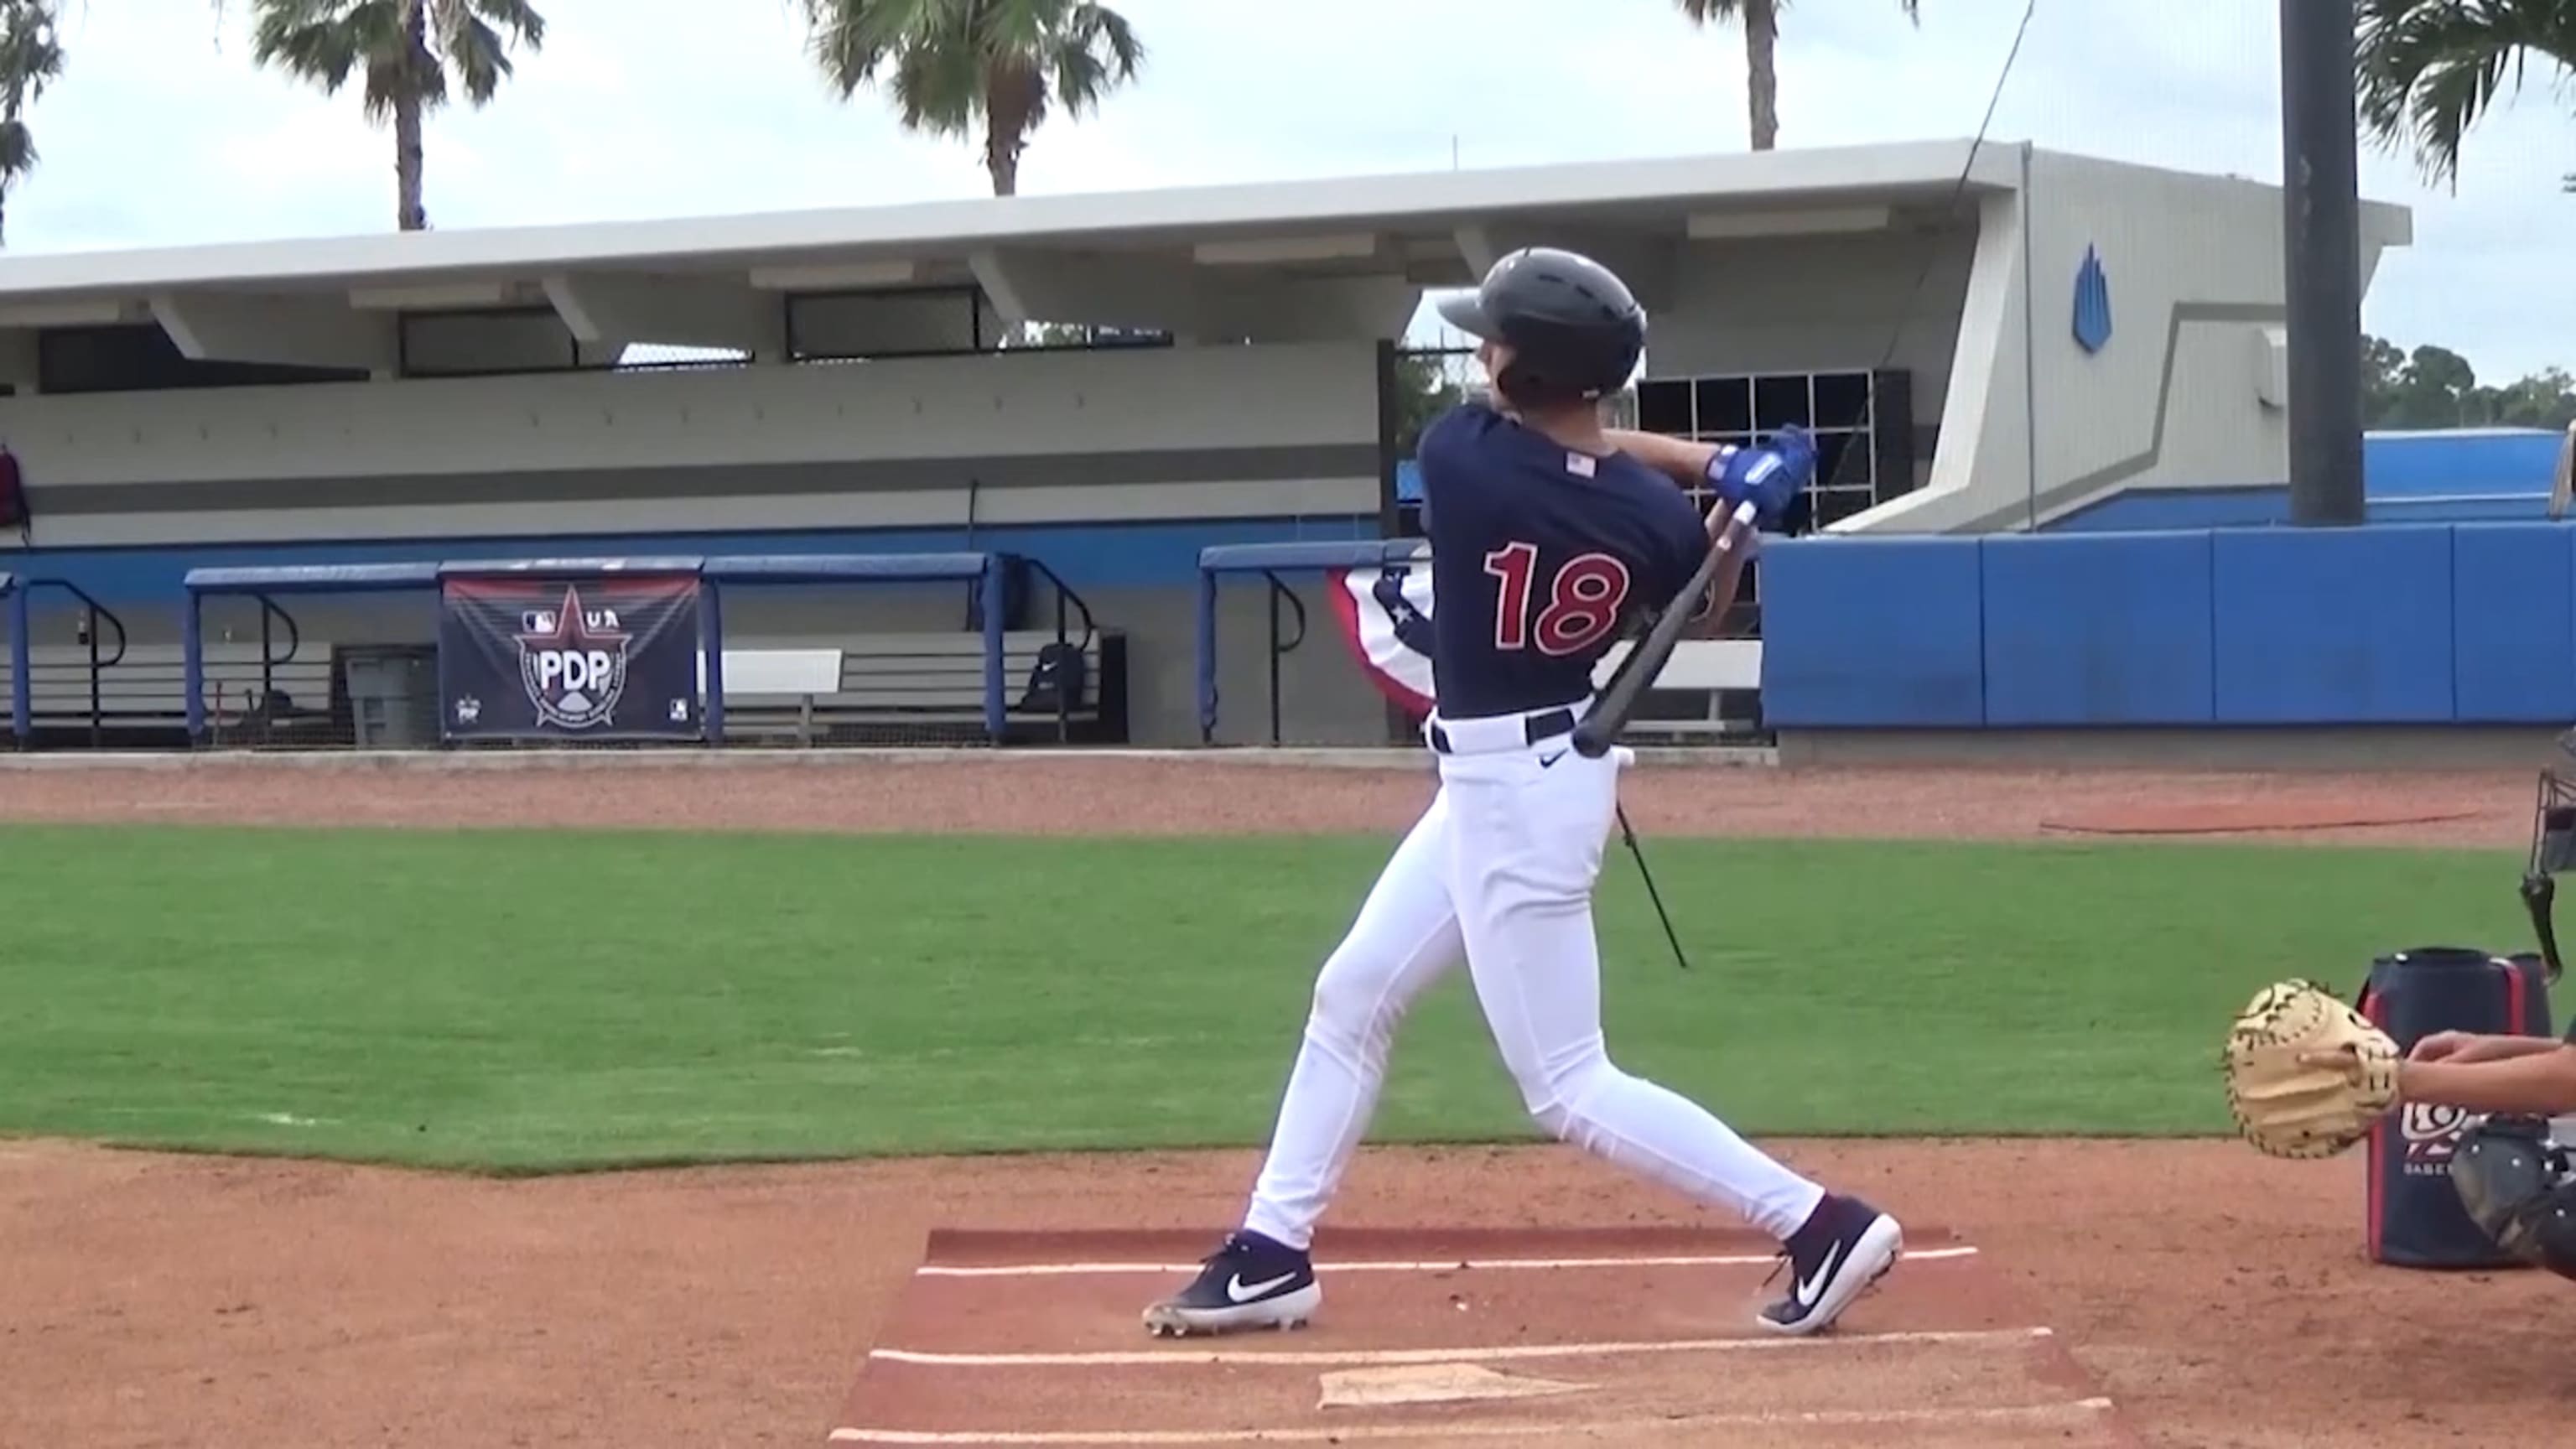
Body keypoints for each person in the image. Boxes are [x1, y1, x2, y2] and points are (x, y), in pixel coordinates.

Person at [1141, 247, 1904, 1341]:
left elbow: (1572, 443)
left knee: (1567, 1086)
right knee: (1354, 992)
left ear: (1519, 369)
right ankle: (1272, 1251)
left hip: (1515, 797)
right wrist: (1730, 498)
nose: (1484, 352)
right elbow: (1708, 607)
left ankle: (1817, 1223)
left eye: (1496, 339)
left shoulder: (1461, 459)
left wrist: (1709, 472)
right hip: (1519, 780)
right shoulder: (1650, 520)